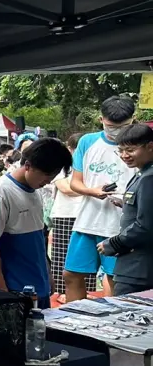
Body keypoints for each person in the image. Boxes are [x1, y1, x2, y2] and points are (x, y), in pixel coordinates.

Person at [0, 138, 73, 308]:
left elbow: (38, 237)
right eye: (46, 175)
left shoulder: (35, 190)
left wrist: (47, 273)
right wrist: (0, 287)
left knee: (39, 331)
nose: (48, 181)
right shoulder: (0, 192)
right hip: (15, 287)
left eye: (53, 176)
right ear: (28, 165)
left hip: (38, 282)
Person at [66, 96, 138, 300]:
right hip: (88, 221)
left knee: (116, 278)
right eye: (111, 125)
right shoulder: (87, 142)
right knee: (71, 274)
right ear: (101, 119)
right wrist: (93, 191)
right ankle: (73, 321)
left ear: (133, 120)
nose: (115, 131)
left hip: (121, 226)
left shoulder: (140, 146)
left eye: (122, 126)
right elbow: (75, 182)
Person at [100, 123, 153, 295]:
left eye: (130, 150)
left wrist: (113, 244)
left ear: (150, 146)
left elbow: (145, 225)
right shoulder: (142, 174)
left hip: (138, 267)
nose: (124, 156)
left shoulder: (149, 178)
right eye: (121, 150)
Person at [49, 133, 90, 301]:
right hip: (64, 214)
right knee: (62, 252)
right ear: (70, 149)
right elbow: (65, 188)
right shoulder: (62, 166)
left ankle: (86, 290)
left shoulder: (89, 165)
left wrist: (82, 188)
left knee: (85, 255)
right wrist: (90, 190)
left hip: (85, 214)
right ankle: (63, 291)